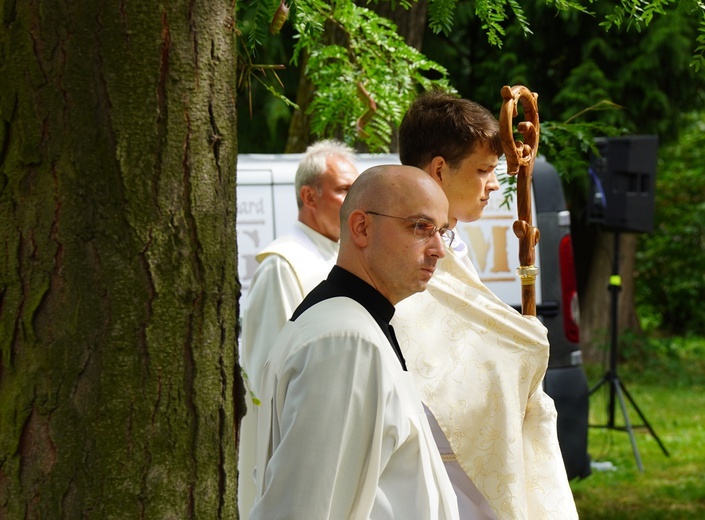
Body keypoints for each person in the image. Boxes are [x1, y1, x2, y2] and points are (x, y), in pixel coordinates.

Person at [392, 90, 578, 519]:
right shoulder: (399, 254)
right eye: (483, 170)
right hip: (441, 461)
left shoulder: (457, 243)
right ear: (439, 169)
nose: (495, 184)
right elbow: (430, 371)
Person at [250, 165, 460, 520]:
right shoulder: (344, 343)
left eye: (442, 232)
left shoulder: (354, 325)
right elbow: (306, 509)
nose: (439, 249)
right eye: (421, 227)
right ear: (362, 227)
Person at [238, 139, 359, 518]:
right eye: (343, 190)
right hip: (299, 446)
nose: (356, 202)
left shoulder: (336, 256)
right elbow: (267, 374)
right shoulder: (282, 264)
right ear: (309, 195)